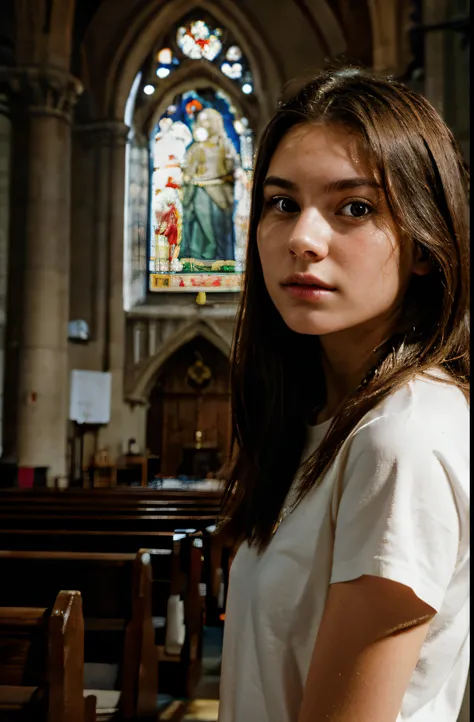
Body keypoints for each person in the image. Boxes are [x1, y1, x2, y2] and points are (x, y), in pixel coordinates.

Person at [217, 66, 469, 722]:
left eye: (354, 207)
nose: (303, 238)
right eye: (282, 203)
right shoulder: (324, 421)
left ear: (422, 243)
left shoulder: (402, 439)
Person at [180, 108, 238, 261]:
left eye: (207, 120)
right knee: (199, 227)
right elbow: (188, 169)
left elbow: (231, 167)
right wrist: (187, 176)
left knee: (217, 228)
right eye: (202, 120)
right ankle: (197, 257)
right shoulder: (196, 147)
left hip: (219, 192)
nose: (203, 123)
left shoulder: (224, 145)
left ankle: (219, 258)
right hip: (198, 191)